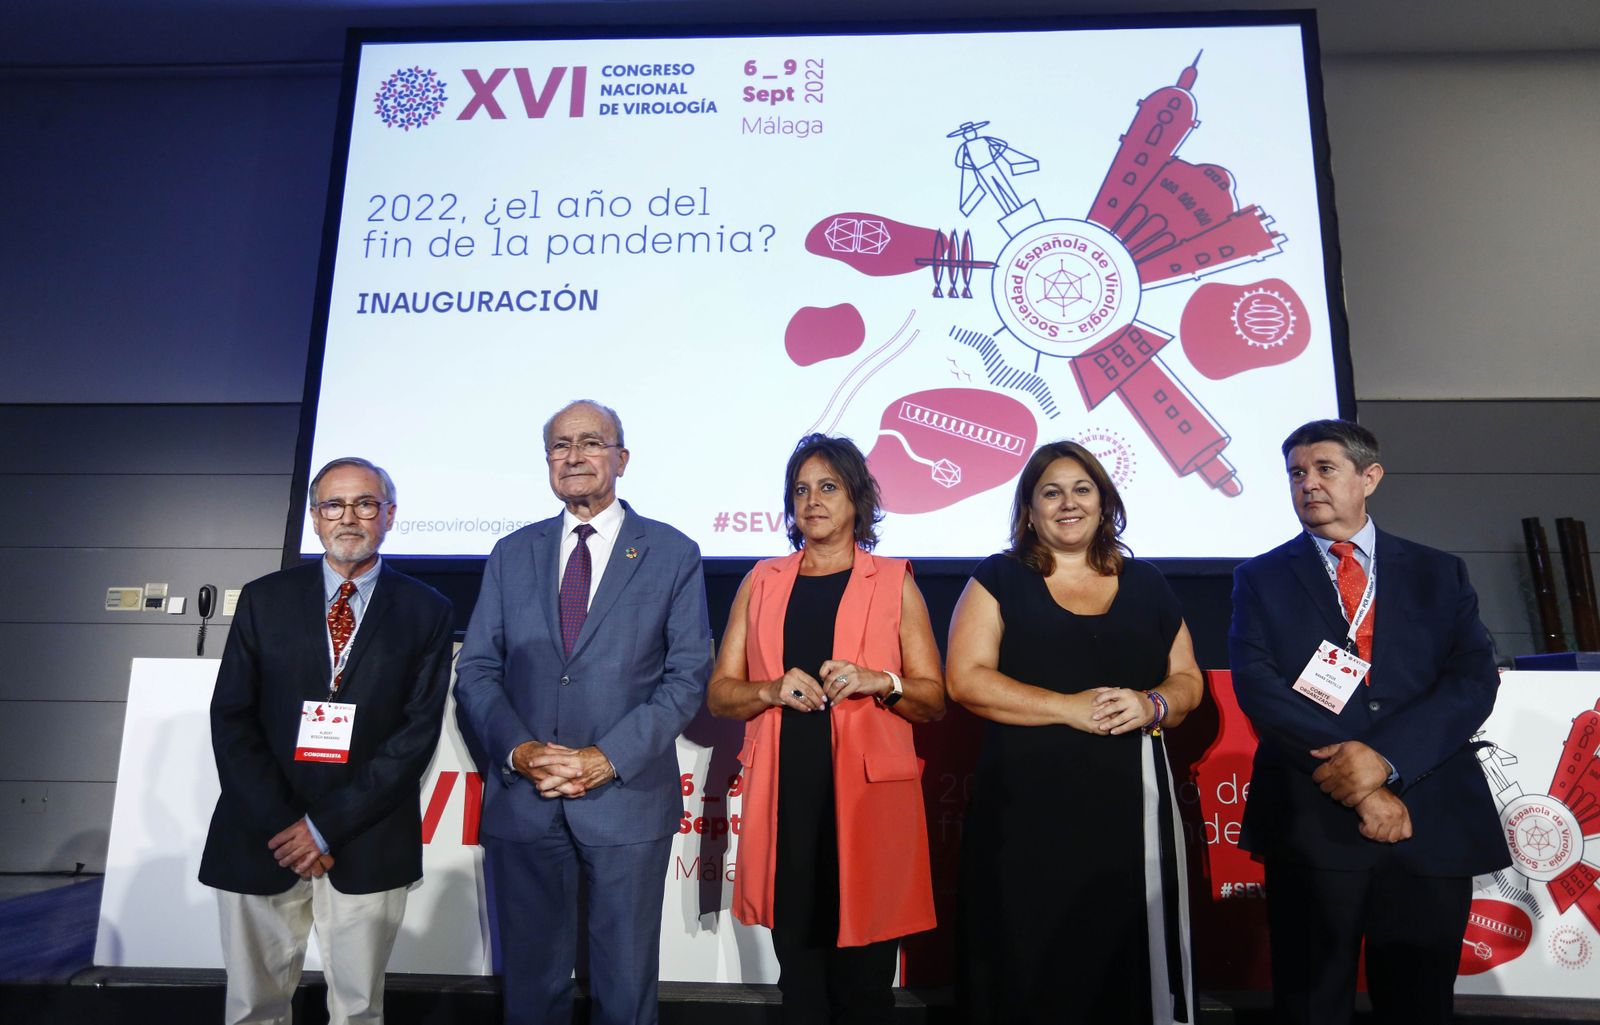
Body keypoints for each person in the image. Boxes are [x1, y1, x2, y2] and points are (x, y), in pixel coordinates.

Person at [1228, 419, 1508, 1025]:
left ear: (1369, 477)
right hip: (1314, 813)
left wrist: (1384, 762)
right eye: (1296, 474)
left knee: (1419, 1000)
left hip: (1428, 813)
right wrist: (1357, 776)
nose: (1308, 485)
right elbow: (1258, 686)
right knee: (1310, 999)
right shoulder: (1260, 578)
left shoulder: (1440, 572)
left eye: (1324, 469)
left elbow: (1471, 681)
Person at [453, 400, 712, 1025]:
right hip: (525, 796)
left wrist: (606, 759)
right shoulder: (511, 553)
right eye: (559, 445)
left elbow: (686, 677)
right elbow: (478, 669)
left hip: (624, 800)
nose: (573, 456)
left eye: (591, 442)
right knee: (530, 989)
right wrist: (520, 751)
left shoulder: (673, 553)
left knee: (624, 990)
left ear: (621, 458)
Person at [947, 440, 1200, 1025]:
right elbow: (965, 680)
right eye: (1051, 492)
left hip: (1130, 815)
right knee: (1026, 962)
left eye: (1082, 489)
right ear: (1029, 510)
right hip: (1024, 812)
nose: (1068, 503)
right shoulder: (999, 579)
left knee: (1122, 965)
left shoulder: (1148, 583)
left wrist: (1154, 703)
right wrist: (1069, 708)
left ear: (1104, 502)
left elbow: (1187, 680)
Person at [199, 457, 454, 1025]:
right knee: (252, 1008)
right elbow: (232, 718)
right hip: (261, 834)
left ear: (389, 515)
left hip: (366, 836)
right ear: (315, 518)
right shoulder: (265, 600)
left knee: (359, 1010)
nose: (349, 518)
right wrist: (285, 826)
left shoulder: (427, 610)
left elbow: (415, 736)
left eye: (365, 504)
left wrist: (323, 827)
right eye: (333, 505)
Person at [708, 434, 944, 1023]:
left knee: (864, 991)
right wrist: (768, 690)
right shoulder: (762, 580)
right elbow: (720, 693)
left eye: (829, 487)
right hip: (788, 803)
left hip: (869, 806)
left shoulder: (893, 581)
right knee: (802, 990)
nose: (812, 500)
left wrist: (880, 681)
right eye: (801, 489)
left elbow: (934, 698)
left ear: (858, 499)